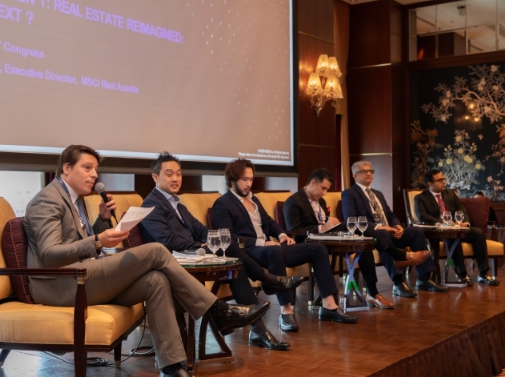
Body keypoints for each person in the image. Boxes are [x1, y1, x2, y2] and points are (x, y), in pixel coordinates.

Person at [23, 145, 270, 377]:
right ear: (66, 168)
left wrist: (101, 221)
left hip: (83, 276)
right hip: (61, 284)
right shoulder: (48, 199)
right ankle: (218, 312)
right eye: (87, 168)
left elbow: (78, 241)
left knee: (156, 280)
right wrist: (98, 239)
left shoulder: (75, 199)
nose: (94, 175)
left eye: (95, 169)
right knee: (156, 251)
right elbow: (49, 254)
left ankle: (172, 366)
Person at [139, 152, 300, 350]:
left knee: (234, 264)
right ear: (155, 177)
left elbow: (201, 230)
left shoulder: (177, 204)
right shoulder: (151, 205)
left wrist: (214, 240)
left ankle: (259, 330)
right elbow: (167, 240)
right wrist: (201, 247)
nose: (175, 178)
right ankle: (267, 280)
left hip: (193, 256)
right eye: (169, 174)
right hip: (175, 261)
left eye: (178, 174)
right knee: (229, 247)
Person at [211, 158, 359, 327]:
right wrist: (262, 242)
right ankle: (286, 311)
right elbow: (228, 237)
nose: (249, 184)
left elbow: (269, 221)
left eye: (251, 179)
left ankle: (329, 306)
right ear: (232, 179)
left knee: (318, 249)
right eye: (245, 179)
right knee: (274, 250)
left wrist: (281, 234)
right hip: (249, 251)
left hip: (271, 249)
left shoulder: (253, 199)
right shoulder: (223, 204)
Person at [284, 168, 399, 309]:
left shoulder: (321, 201)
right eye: (323, 188)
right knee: (354, 224)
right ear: (313, 183)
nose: (325, 193)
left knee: (361, 241)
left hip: (328, 239)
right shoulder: (293, 202)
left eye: (327, 189)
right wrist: (322, 227)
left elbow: (323, 221)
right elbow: (295, 231)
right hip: (309, 243)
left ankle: (373, 293)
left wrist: (330, 223)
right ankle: (396, 253)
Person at [341, 160, 446, 297]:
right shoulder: (349, 194)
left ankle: (424, 279)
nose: (368, 173)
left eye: (370, 171)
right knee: (383, 233)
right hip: (373, 236)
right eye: (364, 171)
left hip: (390, 232)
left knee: (417, 231)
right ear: (354, 175)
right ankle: (398, 282)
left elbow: (390, 215)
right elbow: (351, 219)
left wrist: (397, 226)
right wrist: (379, 227)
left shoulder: (378, 193)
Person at [414, 170, 499, 286]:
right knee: (453, 239)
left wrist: (465, 223)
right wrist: (444, 223)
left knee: (478, 233)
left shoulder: (450, 194)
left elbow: (462, 210)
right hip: (439, 232)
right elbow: (422, 216)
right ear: (430, 183)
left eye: (444, 179)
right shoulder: (420, 198)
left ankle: (483, 274)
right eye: (440, 180)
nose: (444, 182)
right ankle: (462, 274)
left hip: (457, 228)